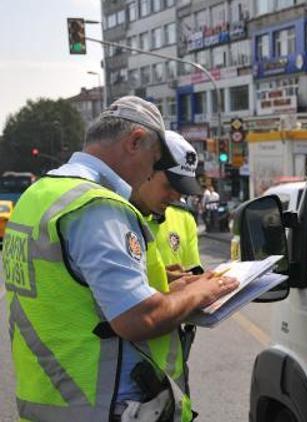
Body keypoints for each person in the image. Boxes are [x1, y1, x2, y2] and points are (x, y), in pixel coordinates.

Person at [2, 96, 238, 421]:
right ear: (135, 141)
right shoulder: (98, 206)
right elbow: (137, 318)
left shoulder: (39, 195)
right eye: (154, 162)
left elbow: (68, 287)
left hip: (46, 403)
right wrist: (198, 292)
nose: (148, 175)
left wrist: (166, 282)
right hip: (99, 406)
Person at [130, 130, 205, 373]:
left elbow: (192, 276)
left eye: (182, 188)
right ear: (146, 170)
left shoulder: (182, 218)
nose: (177, 196)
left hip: (171, 364)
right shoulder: (112, 218)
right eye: (170, 185)